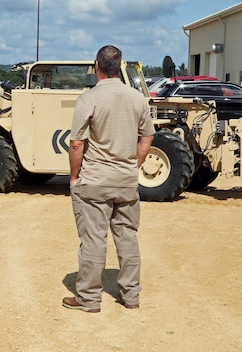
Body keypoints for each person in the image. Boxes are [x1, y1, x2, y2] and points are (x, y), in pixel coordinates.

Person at [63, 45, 155, 313]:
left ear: (96, 66)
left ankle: (89, 299)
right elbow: (147, 137)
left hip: (95, 180)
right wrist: (133, 164)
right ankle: (131, 296)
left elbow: (77, 144)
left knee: (93, 239)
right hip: (126, 181)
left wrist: (73, 177)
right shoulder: (137, 98)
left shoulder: (88, 98)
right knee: (127, 237)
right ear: (120, 66)